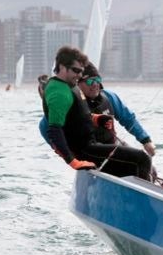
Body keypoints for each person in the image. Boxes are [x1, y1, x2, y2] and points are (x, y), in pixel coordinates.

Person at [41, 46, 153, 181]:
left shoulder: (71, 86)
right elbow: (54, 130)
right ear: (62, 67)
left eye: (81, 72)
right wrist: (72, 161)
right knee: (142, 159)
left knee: (145, 168)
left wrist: (96, 119)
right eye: (76, 71)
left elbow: (78, 116)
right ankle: (141, 200)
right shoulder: (59, 92)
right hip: (86, 151)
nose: (79, 75)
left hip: (96, 147)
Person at [40, 61, 156, 156]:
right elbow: (48, 129)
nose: (95, 84)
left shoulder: (109, 97)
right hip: (87, 154)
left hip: (112, 145)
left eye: (97, 80)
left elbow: (129, 119)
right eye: (90, 81)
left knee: (146, 162)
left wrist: (145, 140)